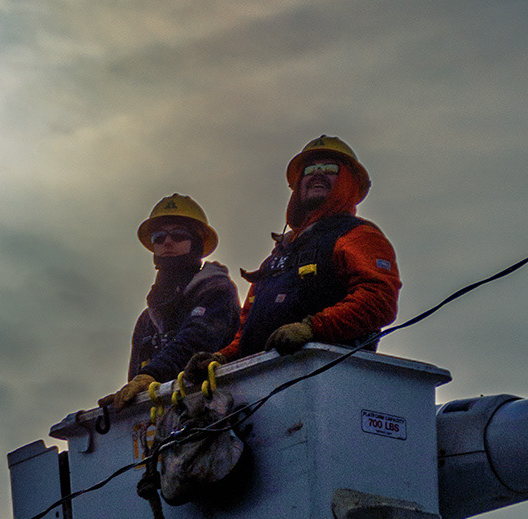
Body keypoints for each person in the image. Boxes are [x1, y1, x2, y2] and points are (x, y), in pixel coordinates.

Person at [190, 136, 399, 379]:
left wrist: (313, 328)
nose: (318, 174)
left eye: (330, 169)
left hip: (325, 380)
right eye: (310, 169)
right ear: (298, 183)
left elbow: (379, 300)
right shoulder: (280, 252)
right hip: (264, 385)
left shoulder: (357, 235)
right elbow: (248, 329)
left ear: (350, 181)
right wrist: (223, 357)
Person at [110, 195, 240, 410]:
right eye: (158, 237)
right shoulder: (147, 320)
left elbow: (197, 340)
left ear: (197, 244)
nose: (167, 242)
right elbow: (137, 380)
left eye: (178, 235)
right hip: (163, 419)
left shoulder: (216, 290)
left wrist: (151, 374)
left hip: (217, 410)